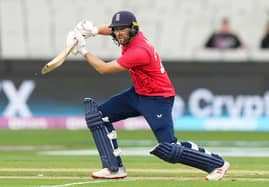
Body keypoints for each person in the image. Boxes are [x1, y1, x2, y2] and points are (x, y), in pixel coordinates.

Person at [67, 10, 230, 180]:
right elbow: (112, 29)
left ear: (133, 29)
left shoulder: (139, 51)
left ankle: (216, 164)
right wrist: (92, 30)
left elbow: (103, 69)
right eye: (116, 30)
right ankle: (113, 168)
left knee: (169, 148)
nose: (119, 34)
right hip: (137, 93)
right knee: (97, 117)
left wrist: (83, 49)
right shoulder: (127, 34)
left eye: (122, 30)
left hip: (158, 98)